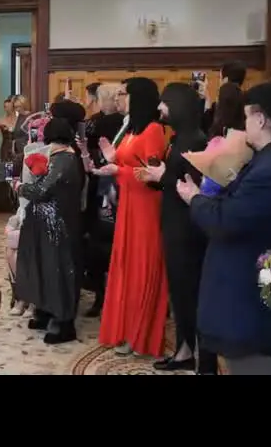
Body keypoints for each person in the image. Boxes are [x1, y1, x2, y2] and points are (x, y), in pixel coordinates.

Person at [176, 80, 271, 375]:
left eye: (247, 116)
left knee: (261, 365)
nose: (244, 124)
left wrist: (194, 198)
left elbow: (226, 221)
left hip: (257, 298)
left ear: (260, 119)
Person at [136, 83, 217, 374]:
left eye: (165, 102)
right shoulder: (180, 137)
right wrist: (156, 178)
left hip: (187, 229)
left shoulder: (195, 140)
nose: (160, 108)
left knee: (190, 294)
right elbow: (174, 179)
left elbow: (193, 186)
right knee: (180, 293)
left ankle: (202, 359)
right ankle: (184, 350)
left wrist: (164, 176)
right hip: (174, 223)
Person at [94, 77, 168, 357]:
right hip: (128, 205)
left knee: (141, 270)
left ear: (139, 97)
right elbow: (128, 164)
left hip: (146, 208)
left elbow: (151, 177)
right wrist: (112, 160)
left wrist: (119, 170)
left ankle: (142, 336)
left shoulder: (153, 130)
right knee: (126, 269)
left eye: (123, 94)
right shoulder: (132, 129)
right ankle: (127, 330)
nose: (118, 99)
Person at [14, 118, 84, 344]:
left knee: (57, 271)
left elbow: (42, 190)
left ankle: (64, 323)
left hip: (57, 226)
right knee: (44, 267)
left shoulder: (64, 159)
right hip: (47, 224)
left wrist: (20, 187)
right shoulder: (60, 157)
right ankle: (45, 312)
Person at [81, 83, 124, 318]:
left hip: (104, 185)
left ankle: (101, 295)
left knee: (98, 241)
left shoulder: (103, 122)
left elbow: (86, 142)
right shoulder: (122, 122)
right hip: (111, 185)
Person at [201, 61, 247, 135]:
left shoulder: (224, 100)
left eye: (220, 78)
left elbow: (214, 128)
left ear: (225, 80)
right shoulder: (246, 100)